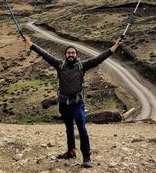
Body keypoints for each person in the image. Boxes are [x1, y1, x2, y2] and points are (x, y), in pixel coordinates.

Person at [23, 35, 123, 168]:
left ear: (76, 55)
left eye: (73, 53)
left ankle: (86, 157)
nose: (71, 54)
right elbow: (44, 54)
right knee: (69, 129)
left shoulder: (82, 66)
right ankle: (71, 152)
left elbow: (100, 58)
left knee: (82, 129)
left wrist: (115, 46)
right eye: (69, 52)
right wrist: (30, 44)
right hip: (64, 104)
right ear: (65, 55)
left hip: (77, 104)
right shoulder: (59, 64)